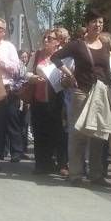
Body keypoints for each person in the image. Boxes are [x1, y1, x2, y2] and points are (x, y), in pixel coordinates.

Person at [51, 11, 111, 184]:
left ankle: (96, 174)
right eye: (94, 22)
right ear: (87, 24)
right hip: (81, 92)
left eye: (100, 22)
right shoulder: (77, 45)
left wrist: (110, 91)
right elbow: (55, 57)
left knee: (98, 135)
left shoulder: (105, 45)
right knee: (78, 134)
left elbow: (106, 70)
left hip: (101, 94)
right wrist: (68, 73)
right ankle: (76, 174)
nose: (98, 25)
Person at [27, 29, 67, 175]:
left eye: (50, 38)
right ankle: (41, 164)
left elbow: (69, 72)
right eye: (44, 38)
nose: (46, 40)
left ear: (57, 41)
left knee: (58, 132)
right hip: (38, 100)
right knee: (39, 132)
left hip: (57, 100)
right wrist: (32, 78)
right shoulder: (36, 55)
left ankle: (62, 164)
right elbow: (27, 72)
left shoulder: (63, 55)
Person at [0, 18, 24, 169]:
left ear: (4, 32)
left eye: (0, 28)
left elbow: (15, 68)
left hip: (6, 88)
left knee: (10, 121)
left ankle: (16, 151)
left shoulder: (9, 47)